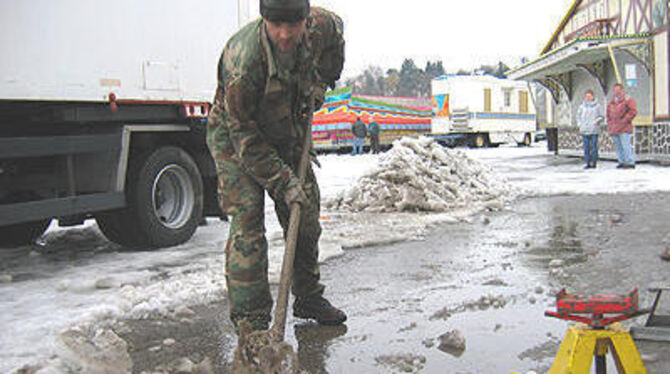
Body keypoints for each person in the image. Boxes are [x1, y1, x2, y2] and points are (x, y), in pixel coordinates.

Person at [207, 0, 346, 331]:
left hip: (286, 127)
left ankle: (309, 297)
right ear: (263, 20)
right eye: (275, 25)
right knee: (248, 222)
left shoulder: (321, 26)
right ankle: (252, 325)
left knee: (306, 217)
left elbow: (337, 39)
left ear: (305, 19)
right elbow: (243, 135)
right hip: (236, 138)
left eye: (292, 25)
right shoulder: (243, 60)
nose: (284, 35)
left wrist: (322, 81)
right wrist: (283, 182)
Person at [607, 83, 637, 169]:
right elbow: (608, 114)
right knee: (619, 146)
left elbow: (633, 111)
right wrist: (610, 123)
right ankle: (621, 161)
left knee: (626, 145)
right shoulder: (612, 102)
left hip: (624, 127)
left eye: (618, 90)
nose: (616, 92)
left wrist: (625, 119)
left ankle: (630, 162)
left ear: (622, 90)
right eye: (615, 90)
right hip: (614, 128)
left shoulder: (628, 99)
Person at [576, 89, 603, 169]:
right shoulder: (582, 107)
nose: (588, 98)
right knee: (586, 147)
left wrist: (596, 121)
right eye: (587, 96)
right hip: (584, 129)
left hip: (594, 129)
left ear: (593, 97)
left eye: (589, 96)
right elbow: (578, 116)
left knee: (594, 147)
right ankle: (587, 162)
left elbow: (601, 116)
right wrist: (580, 124)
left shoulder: (597, 106)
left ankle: (594, 162)